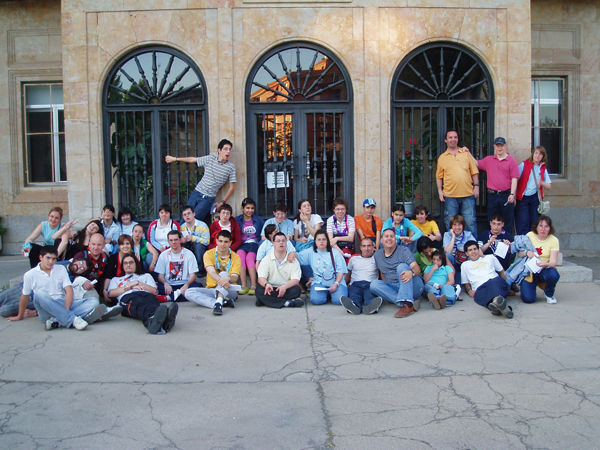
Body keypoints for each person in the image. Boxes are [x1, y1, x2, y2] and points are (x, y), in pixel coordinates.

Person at [7, 246, 102, 330]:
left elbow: (69, 290)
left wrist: (65, 310)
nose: (51, 262)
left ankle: (56, 322)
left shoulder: (60, 269)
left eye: (54, 259)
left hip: (61, 303)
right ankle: (73, 319)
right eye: (48, 258)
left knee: (94, 301)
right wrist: (19, 316)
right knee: (39, 293)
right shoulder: (30, 274)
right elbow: (25, 296)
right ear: (41, 257)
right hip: (45, 310)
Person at [165, 139, 236, 224]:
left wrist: (222, 202)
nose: (228, 151)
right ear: (219, 150)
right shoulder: (210, 159)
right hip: (197, 192)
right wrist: (175, 159)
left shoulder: (231, 167)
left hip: (208, 198)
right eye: (226, 149)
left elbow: (232, 187)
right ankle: (179, 236)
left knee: (194, 221)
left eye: (229, 149)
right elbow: (193, 159)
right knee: (185, 217)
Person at [108, 254, 178, 334]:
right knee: (138, 302)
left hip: (146, 294)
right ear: (122, 266)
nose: (128, 265)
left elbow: (154, 291)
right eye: (125, 263)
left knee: (152, 300)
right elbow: (111, 293)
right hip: (128, 297)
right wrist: (129, 287)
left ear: (135, 264)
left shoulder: (146, 276)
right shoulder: (116, 279)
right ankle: (163, 320)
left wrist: (137, 283)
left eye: (131, 262)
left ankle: (154, 322)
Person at [370, 229, 424, 318]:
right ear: (381, 240)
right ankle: (409, 303)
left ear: (396, 240)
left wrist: (411, 273)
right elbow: (382, 272)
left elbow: (417, 268)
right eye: (386, 236)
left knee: (401, 266)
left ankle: (407, 304)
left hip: (413, 285)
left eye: (392, 236)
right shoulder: (377, 255)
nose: (389, 238)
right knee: (374, 285)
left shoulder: (403, 250)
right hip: (396, 287)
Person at [185, 230, 241, 315]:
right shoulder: (208, 254)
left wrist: (227, 278)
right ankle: (220, 302)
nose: (223, 244)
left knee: (224, 274)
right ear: (216, 241)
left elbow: (234, 277)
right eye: (221, 241)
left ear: (230, 243)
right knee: (188, 292)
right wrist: (222, 280)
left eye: (226, 242)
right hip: (212, 289)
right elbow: (211, 272)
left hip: (229, 290)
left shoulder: (236, 257)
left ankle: (218, 303)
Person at [436, 129, 479, 236]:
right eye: (450, 137)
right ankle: (451, 249)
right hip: (450, 195)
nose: (453, 140)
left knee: (470, 222)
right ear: (446, 140)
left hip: (468, 194)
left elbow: (474, 172)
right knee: (450, 224)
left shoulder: (465, 154)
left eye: (455, 137)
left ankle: (473, 249)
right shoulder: (442, 157)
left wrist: (476, 186)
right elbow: (439, 176)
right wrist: (440, 191)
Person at [461, 240, 513, 318]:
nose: (473, 252)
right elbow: (466, 284)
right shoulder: (465, 265)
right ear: (466, 253)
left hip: (495, 282)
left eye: (475, 249)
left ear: (479, 250)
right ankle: (500, 305)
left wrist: (508, 287)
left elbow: (502, 272)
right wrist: (469, 291)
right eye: (470, 250)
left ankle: (496, 303)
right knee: (481, 295)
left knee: (492, 282)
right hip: (480, 288)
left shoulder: (490, 257)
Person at [477, 137, 519, 231]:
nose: (499, 148)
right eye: (497, 145)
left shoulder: (512, 161)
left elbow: (514, 179)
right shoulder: (488, 160)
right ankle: (493, 243)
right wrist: (466, 153)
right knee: (492, 222)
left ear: (505, 146)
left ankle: (507, 244)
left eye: (501, 145)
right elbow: (475, 163)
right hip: (492, 196)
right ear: (494, 146)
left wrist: (512, 194)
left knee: (507, 222)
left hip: (506, 195)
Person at [298, 230, 348, 305]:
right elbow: (297, 256)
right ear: (315, 241)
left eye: (324, 239)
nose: (321, 241)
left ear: (327, 241)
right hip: (319, 282)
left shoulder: (335, 253)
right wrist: (292, 253)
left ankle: (332, 293)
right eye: (319, 239)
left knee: (339, 300)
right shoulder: (310, 252)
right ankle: (326, 294)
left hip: (335, 281)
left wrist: (336, 284)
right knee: (316, 301)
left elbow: (341, 271)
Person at [255, 232, 304, 308]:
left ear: (286, 242)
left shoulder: (293, 260)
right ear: (273, 243)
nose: (281, 243)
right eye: (278, 241)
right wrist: (266, 284)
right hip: (271, 288)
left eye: (283, 241)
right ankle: (286, 303)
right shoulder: (266, 259)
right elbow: (261, 278)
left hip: (286, 288)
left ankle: (266, 301)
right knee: (259, 290)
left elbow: (296, 280)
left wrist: (284, 287)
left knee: (296, 290)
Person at [519, 215, 560, 304]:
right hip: (529, 271)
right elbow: (520, 253)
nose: (543, 229)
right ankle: (529, 287)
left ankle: (549, 293)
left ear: (550, 228)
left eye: (546, 226)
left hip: (544, 269)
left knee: (553, 274)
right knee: (528, 299)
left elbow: (553, 262)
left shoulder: (554, 240)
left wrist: (546, 264)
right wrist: (527, 252)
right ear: (536, 227)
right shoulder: (529, 235)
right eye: (541, 226)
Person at [340, 238, 383, 315]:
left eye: (369, 246)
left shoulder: (377, 258)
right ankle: (354, 307)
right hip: (355, 284)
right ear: (360, 248)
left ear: (373, 247)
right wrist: (343, 286)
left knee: (370, 296)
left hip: (370, 284)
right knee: (354, 295)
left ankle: (372, 307)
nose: (366, 248)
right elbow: (347, 274)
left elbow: (383, 273)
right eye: (364, 246)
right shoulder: (353, 258)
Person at [154, 231, 203, 300]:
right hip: (170, 285)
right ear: (168, 241)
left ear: (180, 240)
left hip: (184, 284)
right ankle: (181, 295)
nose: (173, 242)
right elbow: (160, 276)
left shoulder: (189, 254)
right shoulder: (163, 255)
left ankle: (169, 297)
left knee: (198, 287)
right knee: (156, 287)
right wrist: (165, 283)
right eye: (171, 240)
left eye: (176, 240)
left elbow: (193, 276)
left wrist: (186, 285)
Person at [515, 146, 552, 235]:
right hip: (522, 198)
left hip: (535, 198)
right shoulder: (524, 165)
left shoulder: (543, 168)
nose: (537, 155)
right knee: (522, 222)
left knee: (535, 222)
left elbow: (549, 186)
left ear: (543, 156)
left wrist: (541, 183)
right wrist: (514, 195)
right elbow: (515, 179)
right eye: (536, 153)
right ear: (533, 154)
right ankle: (523, 244)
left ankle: (534, 244)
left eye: (540, 154)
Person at [235, 198, 265, 295]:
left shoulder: (259, 220)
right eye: (247, 208)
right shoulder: (237, 220)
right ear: (242, 208)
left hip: (254, 244)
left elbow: (264, 233)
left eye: (252, 208)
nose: (250, 210)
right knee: (240, 256)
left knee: (249, 258)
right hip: (242, 244)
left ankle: (253, 284)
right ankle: (243, 285)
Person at [73, 233, 109, 302]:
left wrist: (104, 291)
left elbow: (104, 277)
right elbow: (73, 274)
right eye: (93, 244)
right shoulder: (81, 255)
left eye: (99, 245)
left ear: (103, 245)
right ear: (89, 244)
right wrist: (82, 282)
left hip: (94, 288)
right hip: (79, 287)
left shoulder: (105, 258)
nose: (96, 247)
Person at [180, 205, 210, 276]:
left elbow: (207, 241)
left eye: (189, 213)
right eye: (185, 215)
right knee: (182, 246)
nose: (187, 216)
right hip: (188, 246)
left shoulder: (203, 225)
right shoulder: (182, 227)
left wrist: (193, 238)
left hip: (199, 248)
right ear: (183, 217)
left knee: (198, 246)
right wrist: (182, 241)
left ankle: (201, 270)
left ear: (194, 214)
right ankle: (186, 270)